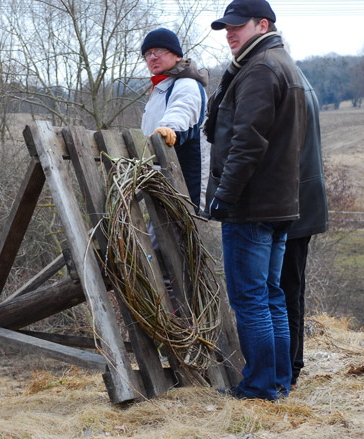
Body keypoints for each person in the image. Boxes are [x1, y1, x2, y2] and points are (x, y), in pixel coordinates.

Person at [204, 0, 307, 400]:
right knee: (271, 296)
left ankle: (261, 386)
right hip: (279, 203)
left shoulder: (260, 69)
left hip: (253, 205)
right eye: (225, 28)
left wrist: (224, 198)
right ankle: (277, 381)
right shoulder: (281, 63)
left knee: (250, 300)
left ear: (262, 24)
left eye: (237, 26)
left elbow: (247, 143)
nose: (229, 34)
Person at [282, 70, 328, 389]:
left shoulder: (287, 84)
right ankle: (292, 364)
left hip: (291, 203)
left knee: (287, 289)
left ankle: (290, 368)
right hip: (303, 201)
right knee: (292, 288)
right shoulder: (300, 79)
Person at [140, 28, 208, 209]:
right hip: (161, 182)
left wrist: (169, 128)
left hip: (186, 184)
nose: (152, 57)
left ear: (177, 55)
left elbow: (182, 110)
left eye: (159, 51)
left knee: (187, 233)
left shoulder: (186, 84)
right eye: (148, 54)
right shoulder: (158, 91)